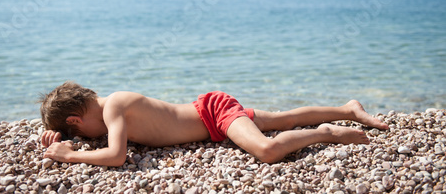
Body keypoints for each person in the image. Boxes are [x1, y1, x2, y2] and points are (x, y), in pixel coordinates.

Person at [39, 81, 388, 166]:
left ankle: (328, 133)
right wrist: (62, 137)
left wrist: (68, 155)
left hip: (214, 116)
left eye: (76, 131)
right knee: (285, 119)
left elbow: (116, 156)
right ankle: (348, 108)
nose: (83, 139)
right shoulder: (106, 110)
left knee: (267, 150)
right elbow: (97, 137)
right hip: (211, 117)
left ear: (76, 119)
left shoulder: (114, 106)